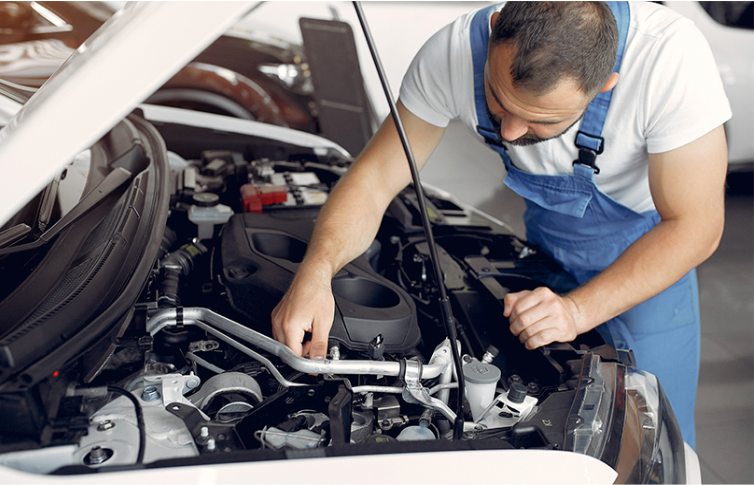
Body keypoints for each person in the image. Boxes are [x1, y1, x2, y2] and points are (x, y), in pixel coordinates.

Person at [271, 2, 730, 449]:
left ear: (606, 85)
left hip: (653, 257)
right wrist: (317, 271)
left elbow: (696, 225)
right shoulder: (452, 51)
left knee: (646, 431)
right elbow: (373, 180)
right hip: (549, 245)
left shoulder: (669, 58)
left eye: (540, 120)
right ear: (494, 30)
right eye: (497, 98)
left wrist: (576, 311)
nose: (509, 132)